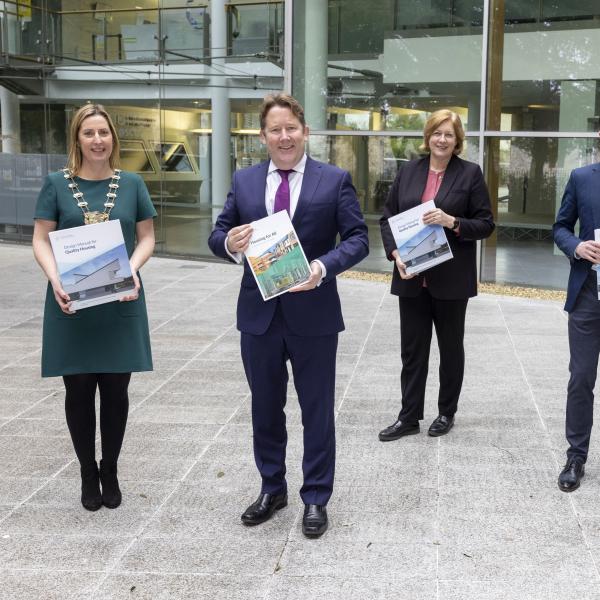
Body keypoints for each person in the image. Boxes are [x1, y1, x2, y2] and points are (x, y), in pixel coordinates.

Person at [208, 93, 368, 537]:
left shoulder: (334, 180)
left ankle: (315, 496)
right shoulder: (244, 181)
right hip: (259, 317)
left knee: (316, 410)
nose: (284, 137)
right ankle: (271, 487)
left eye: (291, 128)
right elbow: (218, 232)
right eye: (275, 130)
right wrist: (229, 244)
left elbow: (358, 239)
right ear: (263, 136)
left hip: (314, 314)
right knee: (265, 407)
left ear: (305, 132)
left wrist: (322, 267)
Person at [32, 104, 157, 511]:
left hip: (121, 299)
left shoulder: (133, 183)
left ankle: (111, 468)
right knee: (79, 390)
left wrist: (133, 270)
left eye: (103, 132)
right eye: (89, 133)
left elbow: (147, 238)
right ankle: (88, 469)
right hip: (72, 303)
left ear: (113, 138)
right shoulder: (56, 184)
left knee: (117, 391)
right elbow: (40, 238)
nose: (98, 140)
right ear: (77, 139)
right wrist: (54, 278)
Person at [378, 109, 494, 442]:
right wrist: (395, 254)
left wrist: (452, 222)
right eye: (437, 133)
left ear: (457, 141)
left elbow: (486, 224)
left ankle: (446, 412)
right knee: (412, 351)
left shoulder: (470, 174)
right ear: (428, 136)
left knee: (450, 349)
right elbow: (387, 219)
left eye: (449, 134)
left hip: (451, 280)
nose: (442, 139)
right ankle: (409, 416)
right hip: (412, 276)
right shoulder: (408, 171)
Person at [553, 159, 600, 492]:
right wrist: (577, 246)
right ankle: (576, 457)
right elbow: (560, 227)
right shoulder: (582, 177)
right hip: (588, 297)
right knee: (581, 377)